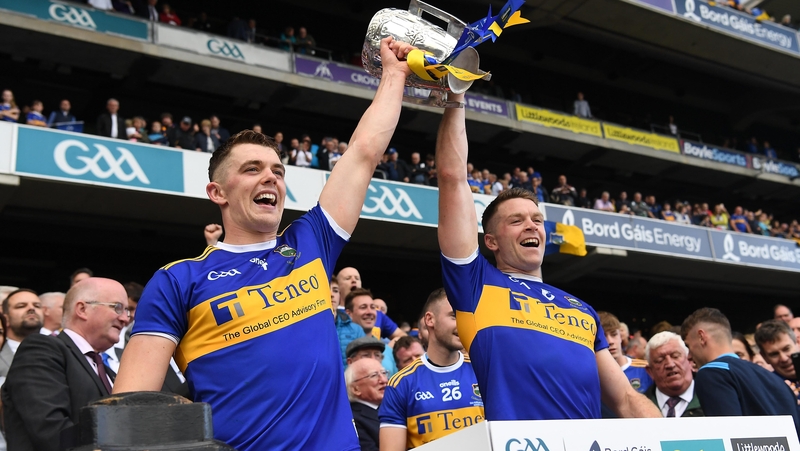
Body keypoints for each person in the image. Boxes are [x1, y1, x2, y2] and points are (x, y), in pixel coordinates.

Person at [113, 37, 416, 451]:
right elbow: (130, 410)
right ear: (217, 192)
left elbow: (364, 152)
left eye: (277, 169)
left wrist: (395, 75)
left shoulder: (311, 241)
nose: (270, 177)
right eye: (252, 169)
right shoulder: (178, 280)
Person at [435, 90, 660, 421]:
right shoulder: (475, 285)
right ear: (492, 241)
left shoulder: (583, 311)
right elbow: (452, 180)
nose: (531, 226)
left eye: (537, 220)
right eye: (517, 220)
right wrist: (456, 97)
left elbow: (626, 399)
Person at [2, 278, 130, 451]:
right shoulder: (42, 349)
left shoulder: (104, 368)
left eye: (127, 311)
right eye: (117, 308)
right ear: (82, 309)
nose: (125, 319)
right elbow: (51, 430)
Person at [380, 288, 484, 450]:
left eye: (466, 316)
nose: (463, 323)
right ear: (430, 320)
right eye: (454, 316)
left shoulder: (483, 370)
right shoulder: (400, 383)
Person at [681, 308, 799, 431]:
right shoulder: (776, 380)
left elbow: (728, 435)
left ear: (701, 337)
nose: (689, 355)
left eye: (688, 346)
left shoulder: (712, 373)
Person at [644, 331, 703, 417]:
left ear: (690, 360)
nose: (670, 364)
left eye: (675, 356)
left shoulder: (713, 399)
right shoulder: (637, 408)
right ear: (650, 371)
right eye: (660, 361)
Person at [346, 358, 388, 451]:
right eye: (374, 375)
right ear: (356, 389)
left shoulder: (393, 406)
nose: (384, 380)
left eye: (384, 373)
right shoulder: (352, 419)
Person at [0, 289, 44, 378]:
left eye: (37, 306)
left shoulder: (60, 351)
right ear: (6, 318)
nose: (32, 308)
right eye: (21, 306)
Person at [754, 320, 800, 402]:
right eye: (774, 354)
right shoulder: (766, 390)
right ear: (765, 357)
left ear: (797, 343)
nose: (784, 358)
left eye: (786, 349)